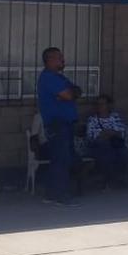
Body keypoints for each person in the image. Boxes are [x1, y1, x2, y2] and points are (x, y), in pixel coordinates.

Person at [37, 46, 82, 206]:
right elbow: (69, 94)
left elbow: (77, 91)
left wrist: (71, 93)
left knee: (61, 159)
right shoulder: (48, 78)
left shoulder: (60, 78)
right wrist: (70, 93)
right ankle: (60, 195)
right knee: (61, 159)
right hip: (57, 125)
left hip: (66, 125)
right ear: (49, 60)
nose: (63, 60)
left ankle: (51, 194)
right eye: (59, 57)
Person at [84, 94, 128, 189]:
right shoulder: (92, 119)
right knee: (105, 151)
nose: (100, 106)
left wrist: (109, 133)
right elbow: (91, 136)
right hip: (99, 145)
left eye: (102, 104)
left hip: (115, 144)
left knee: (123, 153)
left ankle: (119, 178)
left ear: (108, 105)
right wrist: (106, 133)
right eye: (98, 104)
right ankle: (108, 180)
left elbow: (122, 131)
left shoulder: (115, 117)